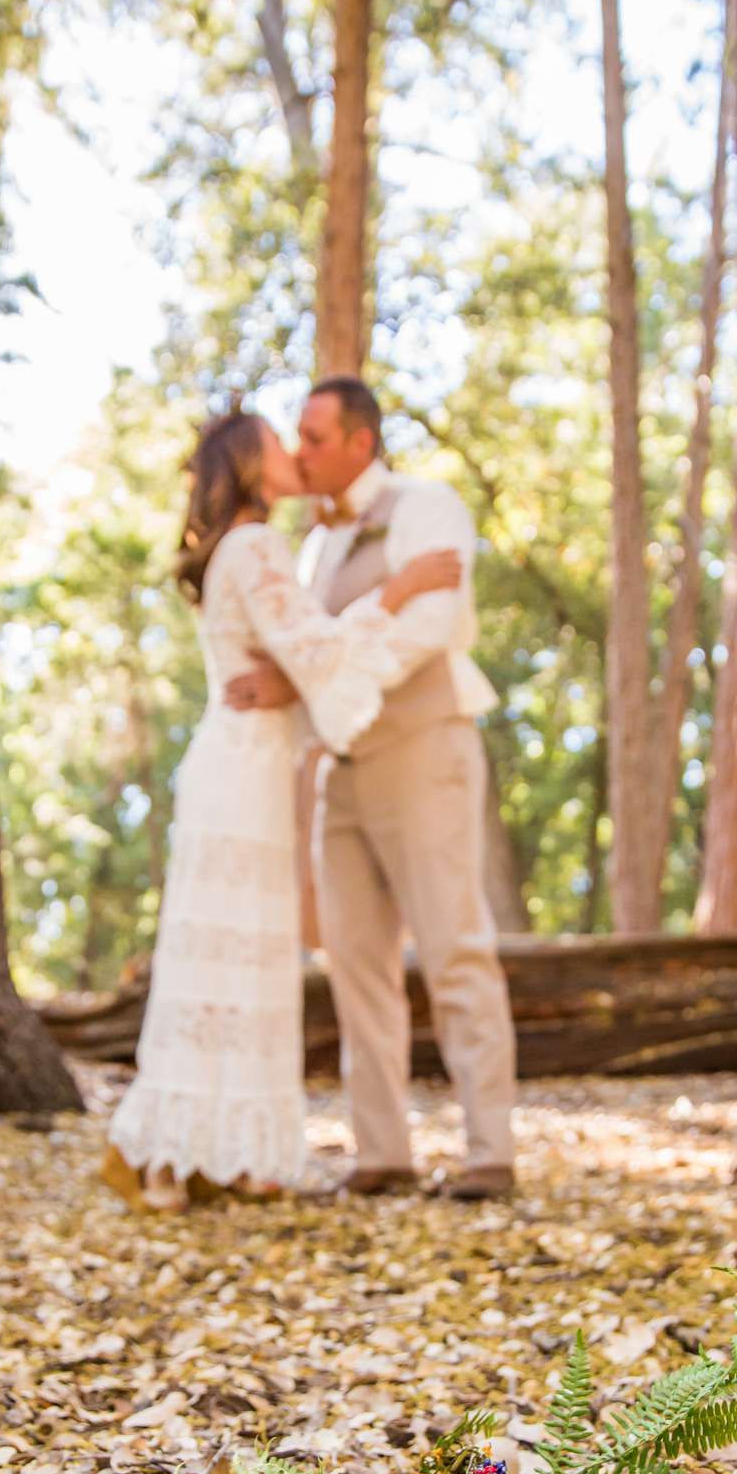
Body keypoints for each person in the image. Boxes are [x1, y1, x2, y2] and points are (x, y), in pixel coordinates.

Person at [103, 409, 463, 1211]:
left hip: (248, 761)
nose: (294, 453)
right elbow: (320, 652)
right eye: (279, 442)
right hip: (243, 769)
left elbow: (300, 665)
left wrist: (297, 683)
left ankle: (210, 1155)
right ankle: (179, 1153)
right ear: (250, 465)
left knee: (241, 959)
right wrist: (401, 587)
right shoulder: (258, 544)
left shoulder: (239, 548)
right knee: (234, 957)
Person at [225, 377, 517, 1201]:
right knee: (355, 963)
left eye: (314, 437)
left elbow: (431, 628)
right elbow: (308, 650)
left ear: (361, 439)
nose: (300, 452)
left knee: (455, 948)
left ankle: (490, 1151)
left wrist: (323, 681)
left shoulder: (425, 506)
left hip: (423, 750)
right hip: (336, 772)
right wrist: (316, 688)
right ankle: (381, 1153)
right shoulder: (313, 548)